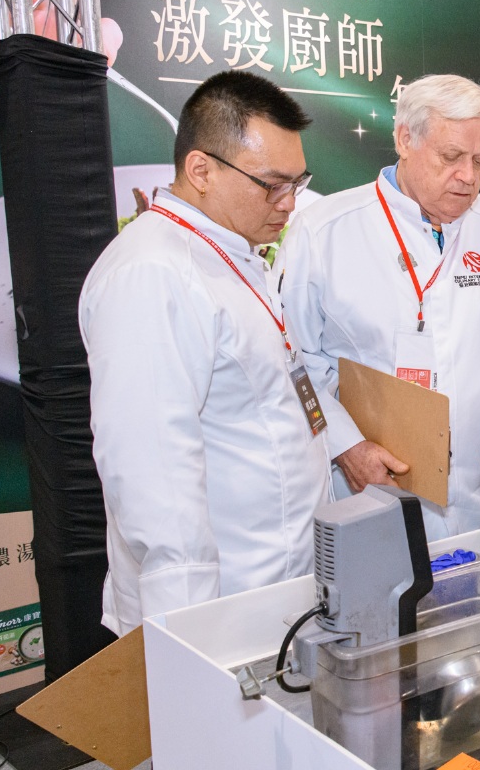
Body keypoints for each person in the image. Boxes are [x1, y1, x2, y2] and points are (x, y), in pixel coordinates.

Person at [79, 71, 330, 635]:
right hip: (215, 609)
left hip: (275, 589)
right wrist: (190, 637)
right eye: (272, 185)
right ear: (201, 171)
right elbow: (153, 476)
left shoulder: (231, 251)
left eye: (298, 183)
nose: (290, 203)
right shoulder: (154, 273)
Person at [277, 74, 480, 537]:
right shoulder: (324, 231)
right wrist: (346, 446)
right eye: (451, 157)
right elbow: (294, 361)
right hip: (369, 489)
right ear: (404, 139)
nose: (468, 176)